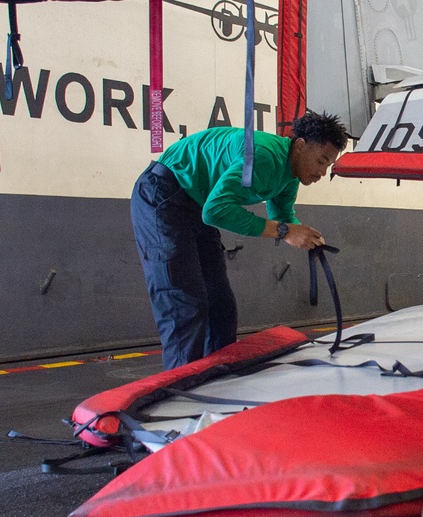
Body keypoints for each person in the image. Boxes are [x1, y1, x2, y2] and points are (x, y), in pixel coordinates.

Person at [130, 111, 349, 369]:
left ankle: (218, 378)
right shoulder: (265, 156)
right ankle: (178, 392)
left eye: (328, 165)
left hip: (197, 201)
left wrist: (305, 236)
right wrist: (284, 232)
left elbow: (282, 217)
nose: (322, 172)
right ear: (300, 146)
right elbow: (216, 211)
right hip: (164, 194)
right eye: (321, 161)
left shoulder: (290, 174)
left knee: (221, 305)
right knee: (184, 304)